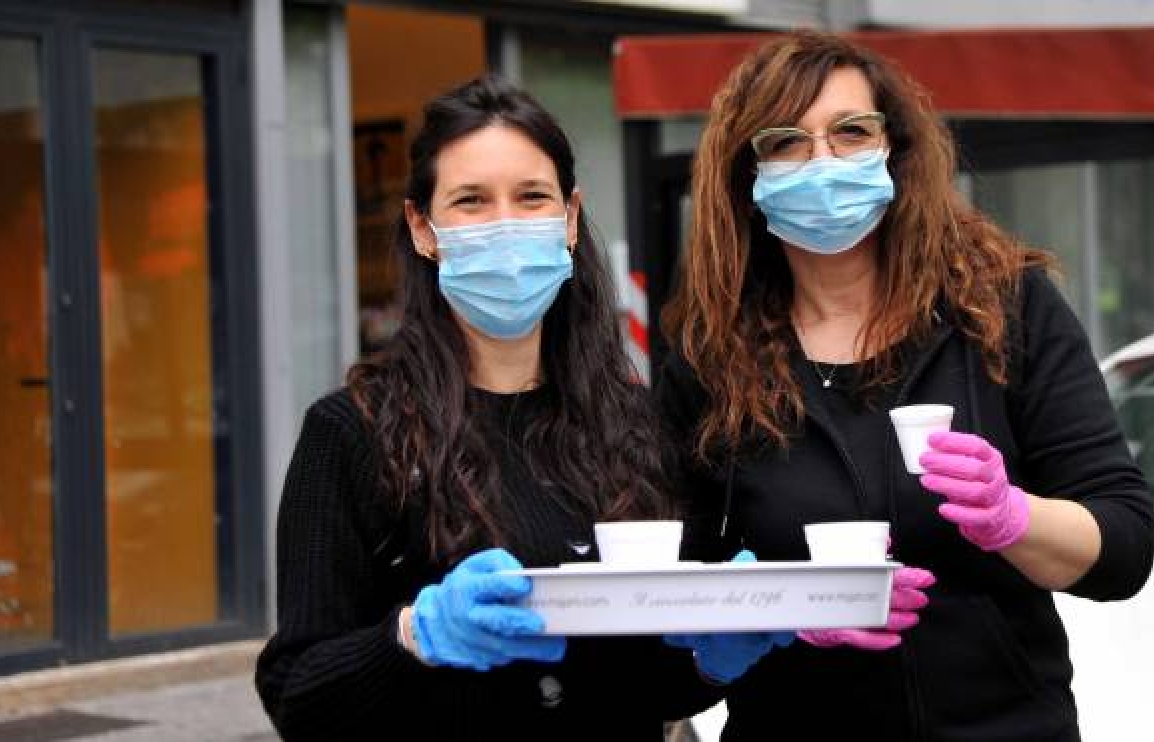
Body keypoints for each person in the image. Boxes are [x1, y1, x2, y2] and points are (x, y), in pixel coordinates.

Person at [657, 31, 1154, 741]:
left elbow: (1124, 549)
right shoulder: (709, 358)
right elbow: (667, 624)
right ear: (747, 173)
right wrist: (771, 619)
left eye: (851, 132)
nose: (823, 162)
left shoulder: (1006, 309)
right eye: (787, 143)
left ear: (894, 146)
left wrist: (1013, 518)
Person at [255, 76, 789, 741]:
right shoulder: (352, 431)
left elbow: (650, 684)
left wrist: (710, 660)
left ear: (568, 219)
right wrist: (416, 636)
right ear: (423, 227)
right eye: (471, 201)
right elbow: (299, 695)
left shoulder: (632, 422)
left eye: (531, 197)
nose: (505, 223)